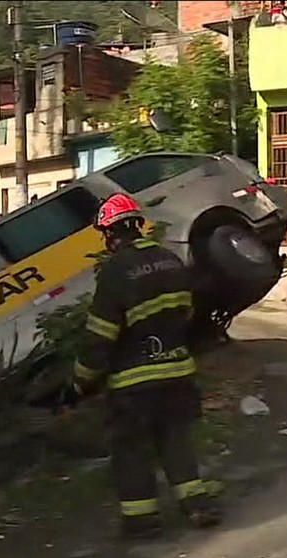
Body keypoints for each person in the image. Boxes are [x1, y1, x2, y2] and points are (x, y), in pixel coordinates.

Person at [72, 193, 222, 539]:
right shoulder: (170, 260)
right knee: (176, 442)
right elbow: (188, 315)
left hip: (133, 384)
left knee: (131, 450)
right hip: (178, 373)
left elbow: (100, 335)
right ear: (138, 225)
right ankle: (198, 506)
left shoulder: (115, 271)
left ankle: (143, 521)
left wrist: (82, 380)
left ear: (110, 234)